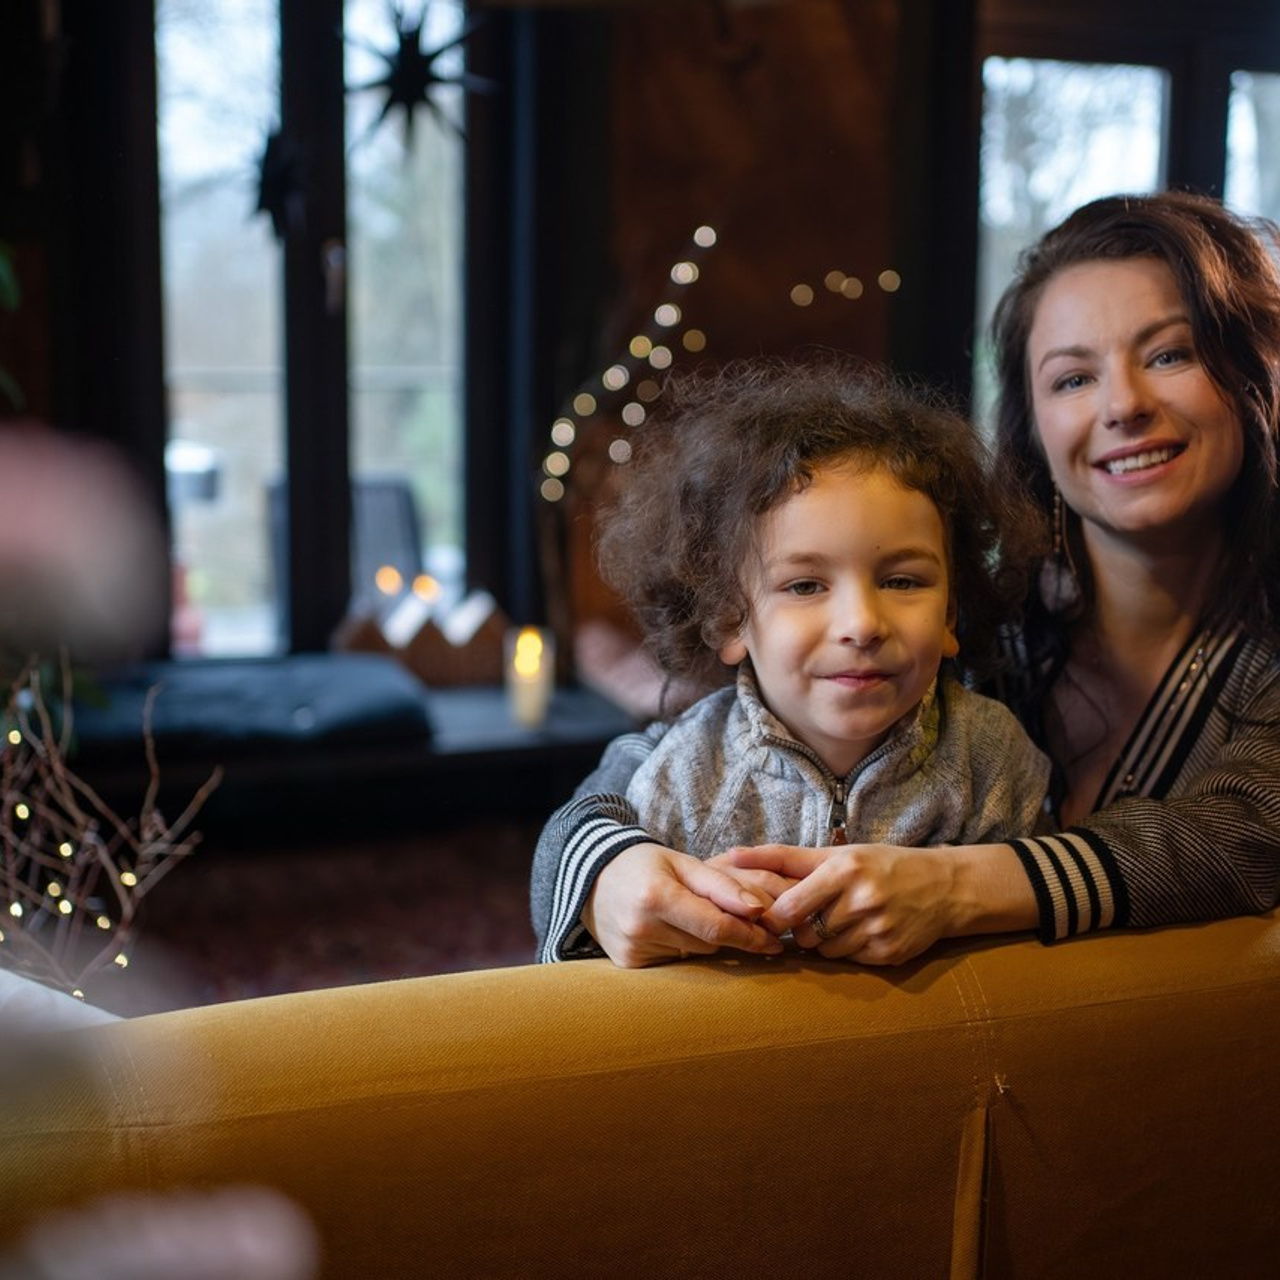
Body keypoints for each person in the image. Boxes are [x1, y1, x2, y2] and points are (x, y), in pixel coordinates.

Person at [532, 189, 1280, 968]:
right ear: (1033, 422)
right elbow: (626, 780)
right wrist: (608, 873)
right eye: (1071, 379)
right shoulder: (992, 621)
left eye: (1169, 354)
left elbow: (1248, 835)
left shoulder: (941, 621)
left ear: (1251, 373)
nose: (1123, 404)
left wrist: (959, 886)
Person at [536, 357, 1050, 962]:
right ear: (731, 619)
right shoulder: (679, 772)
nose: (861, 624)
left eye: (904, 581)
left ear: (951, 615)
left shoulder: (991, 759)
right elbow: (576, 902)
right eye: (805, 586)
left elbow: (1029, 966)